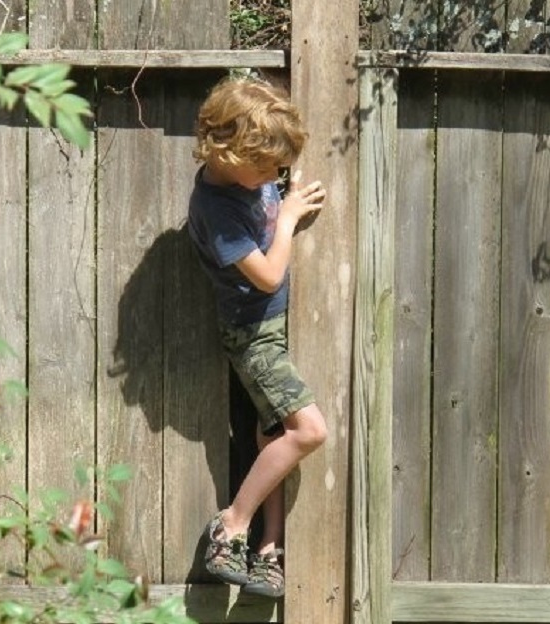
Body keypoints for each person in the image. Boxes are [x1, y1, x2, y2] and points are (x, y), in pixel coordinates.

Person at [186, 75, 328, 599]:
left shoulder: (249, 170)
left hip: (275, 326)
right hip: (253, 334)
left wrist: (278, 184)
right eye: (266, 169)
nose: (275, 176)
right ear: (227, 152)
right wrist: (288, 215)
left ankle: (269, 550)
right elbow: (267, 275)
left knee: (273, 434)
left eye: (279, 169)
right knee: (308, 431)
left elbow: (271, 168)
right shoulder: (215, 209)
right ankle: (232, 527)